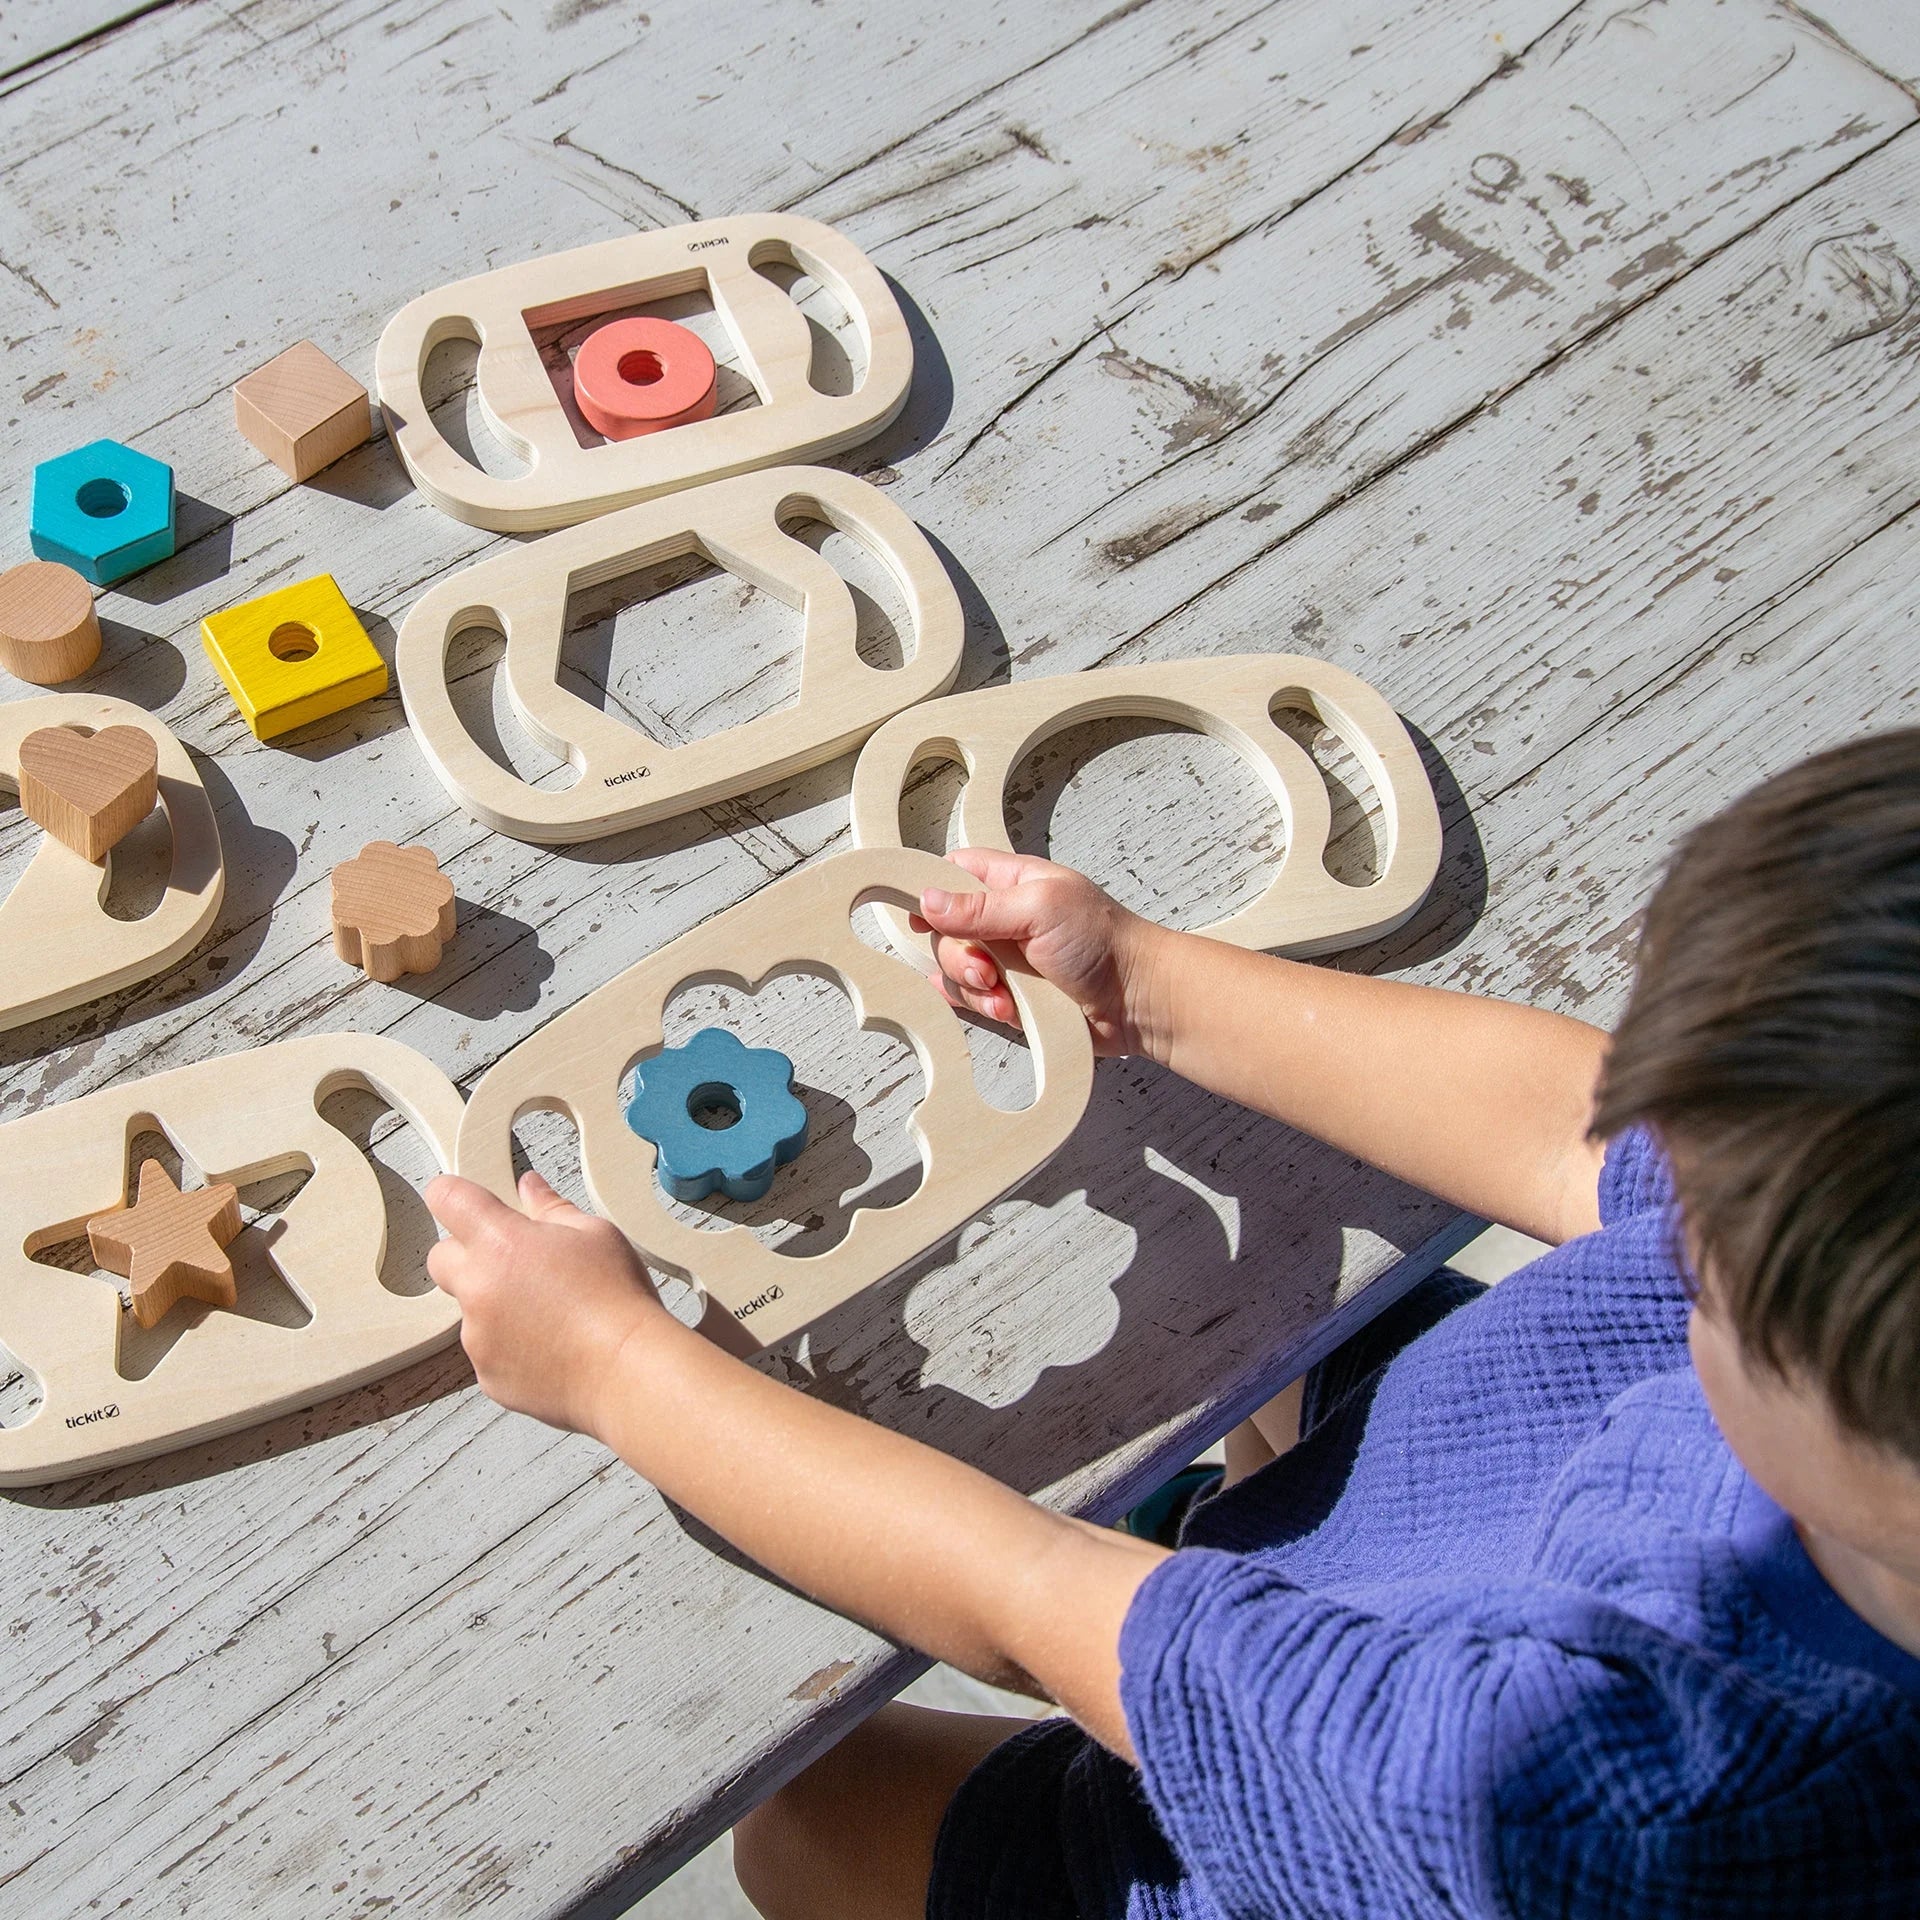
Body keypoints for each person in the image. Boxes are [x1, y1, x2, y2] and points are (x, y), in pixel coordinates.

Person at [423, 731, 1920, 1919]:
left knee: (807, 1815)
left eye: (1702, 1254)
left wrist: (613, 1365)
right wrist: (1143, 978)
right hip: (1482, 1485)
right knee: (1282, 1295)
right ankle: (1233, 1522)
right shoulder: (1849, 1286)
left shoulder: (1555, 1786)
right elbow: (1568, 1131)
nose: (1663, 1193)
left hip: (1359, 1812)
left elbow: (1028, 1597)